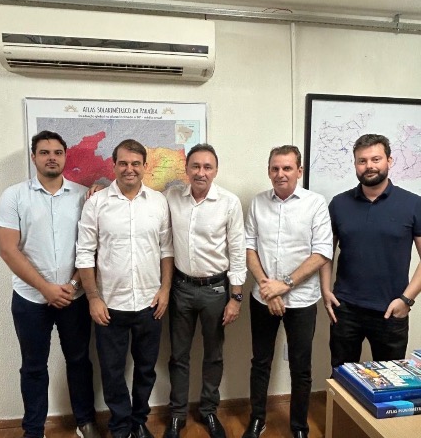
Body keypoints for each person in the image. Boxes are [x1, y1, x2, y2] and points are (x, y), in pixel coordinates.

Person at [0, 130, 99, 438]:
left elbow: (92, 247)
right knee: (33, 367)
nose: (51, 157)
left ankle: (85, 421)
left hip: (74, 297)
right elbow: (8, 250)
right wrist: (46, 288)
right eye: (44, 152)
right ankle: (33, 429)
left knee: (79, 361)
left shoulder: (84, 196)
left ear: (65, 157)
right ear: (34, 157)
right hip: (30, 299)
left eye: (57, 152)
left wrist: (71, 284)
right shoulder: (14, 196)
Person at [76, 139, 174, 438]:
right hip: (109, 305)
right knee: (112, 371)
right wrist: (93, 298)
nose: (129, 169)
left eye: (135, 163)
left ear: (145, 166)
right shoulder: (97, 203)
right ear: (114, 165)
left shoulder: (158, 202)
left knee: (146, 369)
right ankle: (120, 426)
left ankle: (139, 421)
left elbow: (166, 250)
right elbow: (84, 254)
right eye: (123, 163)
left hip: (149, 303)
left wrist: (165, 290)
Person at [243, 145, 333, 438]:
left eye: (287, 168)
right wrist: (269, 289)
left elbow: (322, 252)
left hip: (302, 300)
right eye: (275, 168)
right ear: (269, 171)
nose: (280, 174)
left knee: (301, 367)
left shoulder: (315, 204)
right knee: (260, 362)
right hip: (263, 298)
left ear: (299, 171)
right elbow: (249, 247)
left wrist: (285, 285)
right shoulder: (258, 203)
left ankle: (299, 426)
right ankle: (257, 419)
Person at [162, 144, 246, 438]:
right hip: (181, 289)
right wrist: (99, 187)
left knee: (214, 355)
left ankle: (208, 410)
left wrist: (236, 297)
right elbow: (140, 200)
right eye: (195, 166)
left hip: (216, 291)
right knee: (178, 356)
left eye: (207, 167)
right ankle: (177, 414)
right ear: (186, 169)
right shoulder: (171, 197)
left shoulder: (229, 202)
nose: (201, 172)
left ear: (215, 170)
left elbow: (237, 251)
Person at [321, 134, 421, 368]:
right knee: (341, 377)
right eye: (362, 161)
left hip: (391, 310)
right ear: (355, 164)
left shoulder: (413, 204)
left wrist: (406, 299)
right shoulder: (339, 203)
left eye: (376, 159)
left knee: (390, 381)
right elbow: (325, 253)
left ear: (389, 160)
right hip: (345, 309)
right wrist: (325, 290)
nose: (369, 166)